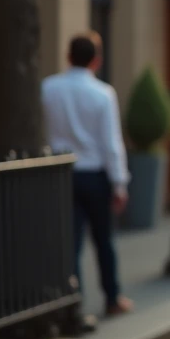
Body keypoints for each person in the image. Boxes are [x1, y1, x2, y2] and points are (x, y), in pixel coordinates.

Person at [42, 33, 133, 318]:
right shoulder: (103, 94)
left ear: (68, 57)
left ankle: (72, 302)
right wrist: (120, 183)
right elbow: (111, 142)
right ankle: (112, 297)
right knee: (104, 240)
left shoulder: (48, 88)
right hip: (95, 175)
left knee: (70, 241)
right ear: (97, 60)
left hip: (61, 172)